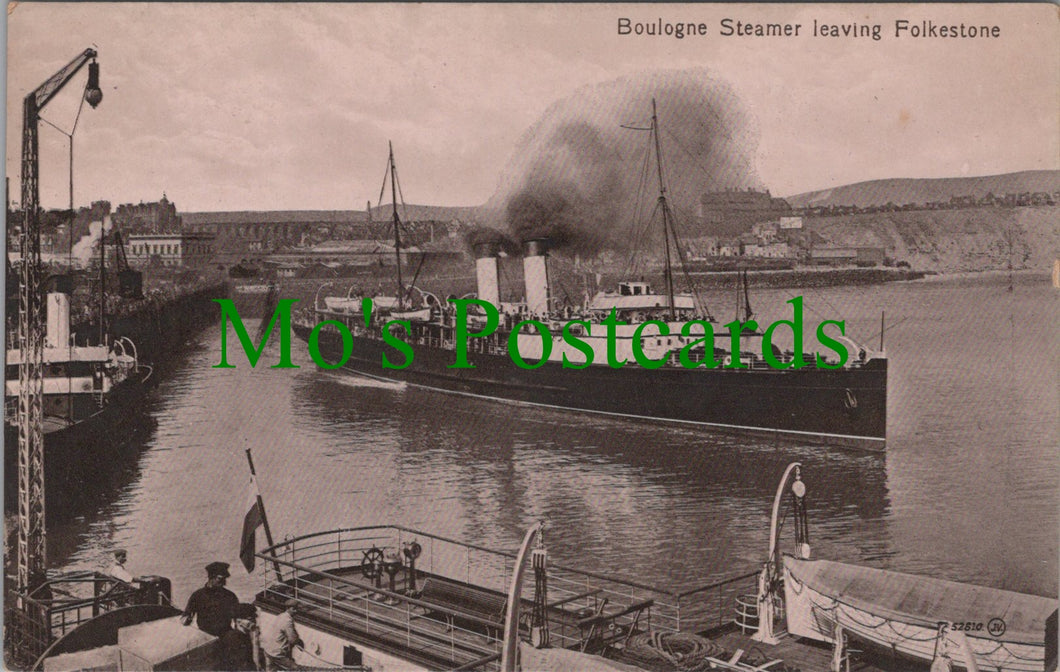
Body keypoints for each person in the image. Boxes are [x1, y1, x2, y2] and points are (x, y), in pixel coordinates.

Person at [181, 561, 239, 637]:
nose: (224, 582)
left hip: (225, 636)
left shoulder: (230, 596)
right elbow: (185, 617)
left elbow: (237, 619)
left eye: (224, 579)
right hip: (204, 637)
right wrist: (186, 620)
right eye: (220, 579)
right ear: (211, 577)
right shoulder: (198, 595)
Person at [262, 598, 303, 670]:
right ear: (288, 608)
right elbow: (292, 639)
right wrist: (299, 642)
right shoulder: (287, 621)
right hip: (277, 653)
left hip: (268, 649)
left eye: (297, 609)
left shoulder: (281, 615)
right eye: (294, 609)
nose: (296, 611)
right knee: (296, 669)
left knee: (270, 669)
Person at [220, 602, 263, 671]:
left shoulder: (245, 634)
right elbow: (241, 664)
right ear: (239, 621)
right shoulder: (233, 639)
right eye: (250, 619)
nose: (254, 622)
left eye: (254, 619)